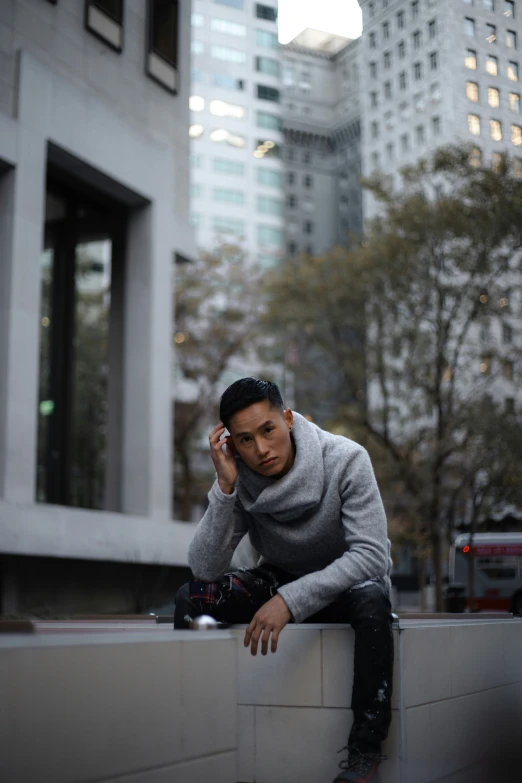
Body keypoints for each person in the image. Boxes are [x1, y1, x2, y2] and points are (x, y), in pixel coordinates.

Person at [174, 378, 394, 783]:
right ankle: (196, 736)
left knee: (372, 600)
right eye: (244, 440)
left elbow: (372, 556)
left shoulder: (346, 459)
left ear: (288, 419)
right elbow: (204, 568)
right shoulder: (239, 478)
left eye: (267, 430)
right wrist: (224, 488)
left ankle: (365, 754)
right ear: (229, 444)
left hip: (349, 583)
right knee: (194, 598)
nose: (260, 449)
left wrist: (291, 601)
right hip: (278, 576)